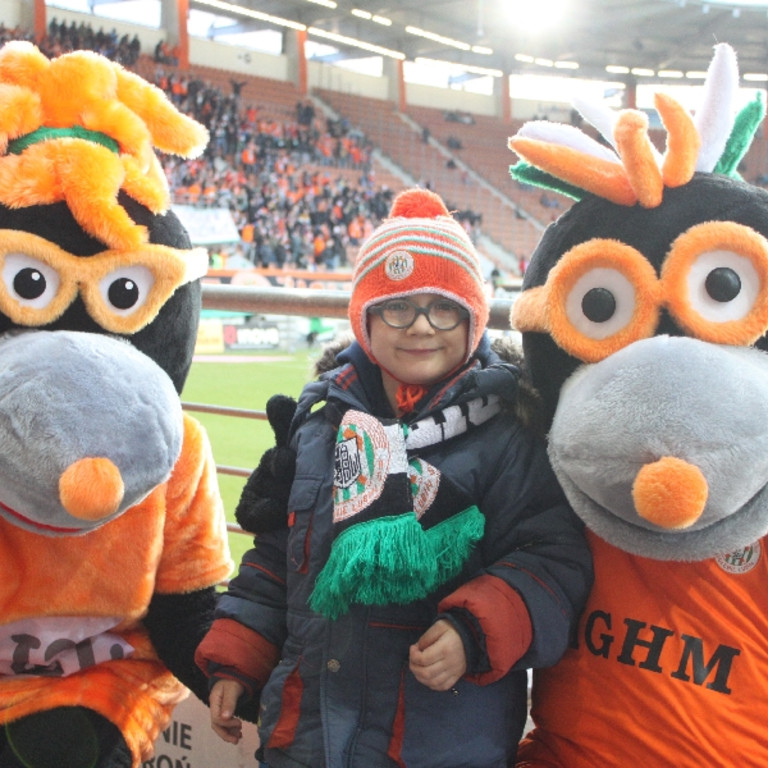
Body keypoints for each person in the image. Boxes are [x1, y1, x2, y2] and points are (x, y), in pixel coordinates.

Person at [195, 188, 593, 768]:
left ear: (473, 316)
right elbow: (279, 558)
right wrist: (238, 656)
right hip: (305, 736)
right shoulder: (320, 428)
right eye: (398, 306)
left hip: (438, 742)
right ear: (366, 319)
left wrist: (472, 630)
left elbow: (551, 561)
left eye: (444, 307)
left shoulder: (507, 434)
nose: (421, 327)